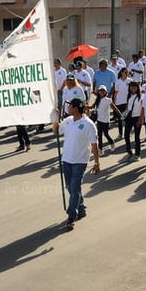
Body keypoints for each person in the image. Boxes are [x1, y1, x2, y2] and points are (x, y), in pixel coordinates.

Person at [53, 98, 99, 230]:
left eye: (70, 106)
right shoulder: (67, 121)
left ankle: (71, 216)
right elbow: (56, 131)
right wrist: (54, 119)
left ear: (76, 108)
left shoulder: (88, 124)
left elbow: (94, 145)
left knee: (74, 189)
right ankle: (82, 207)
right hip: (66, 159)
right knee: (71, 187)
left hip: (80, 161)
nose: (67, 108)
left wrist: (96, 162)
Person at [93, 86, 120, 153]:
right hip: (99, 120)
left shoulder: (108, 100)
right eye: (100, 90)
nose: (101, 92)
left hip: (105, 120)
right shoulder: (97, 100)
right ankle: (100, 149)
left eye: (103, 91)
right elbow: (92, 107)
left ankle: (112, 143)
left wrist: (120, 114)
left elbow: (114, 107)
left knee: (106, 134)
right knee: (99, 135)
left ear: (105, 92)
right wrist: (86, 107)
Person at [123, 80, 143, 160]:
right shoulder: (129, 96)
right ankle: (129, 151)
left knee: (136, 137)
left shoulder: (140, 97)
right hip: (129, 117)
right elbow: (127, 106)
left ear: (137, 88)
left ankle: (137, 154)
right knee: (126, 135)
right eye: (131, 87)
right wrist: (124, 115)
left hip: (137, 117)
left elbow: (142, 108)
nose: (133, 88)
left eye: (134, 86)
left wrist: (140, 119)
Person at [113, 67, 130, 138]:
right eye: (125, 72)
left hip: (127, 102)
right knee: (120, 119)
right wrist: (114, 102)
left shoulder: (130, 81)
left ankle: (127, 133)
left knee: (127, 118)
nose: (126, 74)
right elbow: (116, 93)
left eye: (127, 72)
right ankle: (120, 134)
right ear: (122, 73)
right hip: (119, 102)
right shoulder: (118, 81)